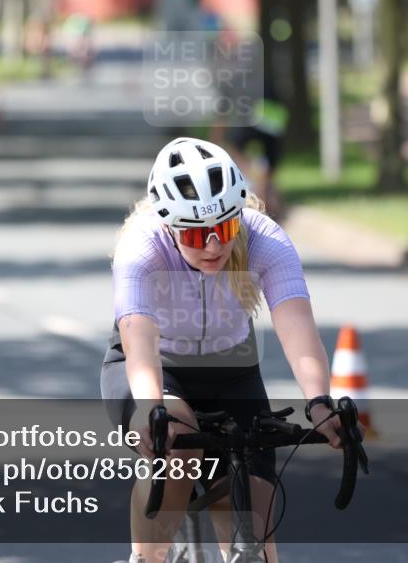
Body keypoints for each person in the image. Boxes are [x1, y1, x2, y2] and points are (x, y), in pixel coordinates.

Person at [101, 137, 348, 563]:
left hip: (231, 374)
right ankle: (147, 556)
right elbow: (137, 334)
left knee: (256, 522)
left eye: (225, 228)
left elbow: (296, 326)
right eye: (196, 234)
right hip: (154, 370)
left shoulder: (264, 238)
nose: (213, 245)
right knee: (176, 449)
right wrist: (149, 407)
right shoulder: (142, 246)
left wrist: (320, 402)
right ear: (169, 223)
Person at [227, 81, 288, 218]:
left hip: (265, 114)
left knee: (262, 174)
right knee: (264, 172)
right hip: (270, 114)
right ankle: (266, 199)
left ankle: (265, 200)